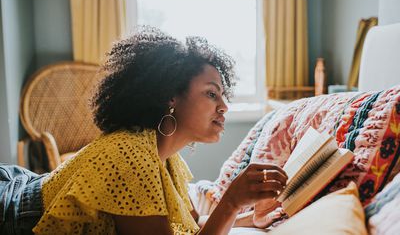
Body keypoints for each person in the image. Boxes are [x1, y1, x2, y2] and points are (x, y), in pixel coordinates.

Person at [0, 26, 287, 235]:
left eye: (224, 95)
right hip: (11, 212)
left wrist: (243, 216)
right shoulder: (130, 157)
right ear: (170, 96)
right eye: (212, 94)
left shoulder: (165, 156)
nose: (224, 106)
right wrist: (231, 201)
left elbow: (192, 226)